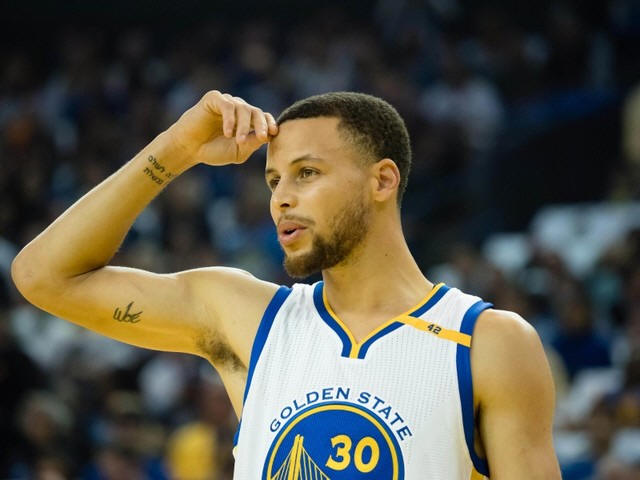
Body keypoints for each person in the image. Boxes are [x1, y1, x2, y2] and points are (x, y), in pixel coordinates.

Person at [11, 90, 561, 479]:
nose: (280, 199)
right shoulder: (248, 318)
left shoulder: (488, 343)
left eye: (307, 173)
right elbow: (42, 276)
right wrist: (177, 148)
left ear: (382, 180)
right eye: (274, 180)